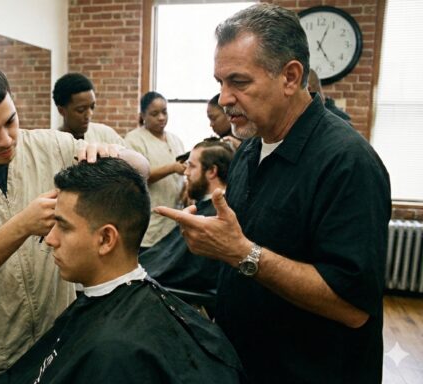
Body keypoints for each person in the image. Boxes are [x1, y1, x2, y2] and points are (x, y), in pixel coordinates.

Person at [155, 4, 390, 383]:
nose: (225, 98)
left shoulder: (348, 163)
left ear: (290, 77)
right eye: (220, 83)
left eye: (239, 82)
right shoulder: (251, 148)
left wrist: (241, 253)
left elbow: (352, 306)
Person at [0, 59, 148, 383]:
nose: (6, 139)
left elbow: (140, 170)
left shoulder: (51, 146)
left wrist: (117, 155)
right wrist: (22, 225)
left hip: (56, 348)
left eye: (10, 121)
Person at [0, 158, 243, 383]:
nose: (50, 239)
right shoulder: (111, 317)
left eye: (62, 226)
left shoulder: (116, 351)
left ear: (106, 239)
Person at [139, 138, 233, 295]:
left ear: (211, 171)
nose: (186, 172)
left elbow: (188, 269)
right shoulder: (206, 208)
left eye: (192, 166)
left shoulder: (213, 215)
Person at [125, 91, 185, 249]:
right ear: (143, 115)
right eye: (154, 113)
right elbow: (138, 175)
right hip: (150, 223)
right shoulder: (134, 139)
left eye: (164, 112)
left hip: (174, 223)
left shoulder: (175, 139)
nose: (161, 117)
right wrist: (172, 167)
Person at [52, 73, 125, 145]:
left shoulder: (105, 135)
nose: (89, 114)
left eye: (92, 107)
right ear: (61, 110)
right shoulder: (53, 144)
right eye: (81, 110)